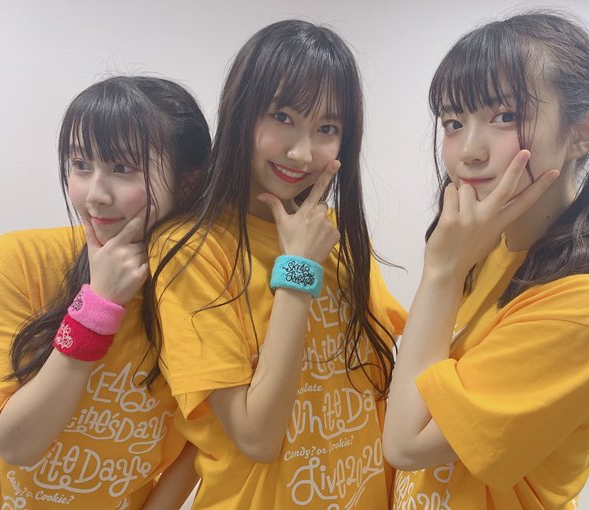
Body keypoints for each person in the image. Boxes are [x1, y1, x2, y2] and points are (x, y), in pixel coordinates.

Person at [383, 10, 589, 509]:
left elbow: (405, 444)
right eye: (453, 123)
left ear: (583, 132)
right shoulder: (488, 245)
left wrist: (442, 271)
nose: (469, 151)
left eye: (505, 116)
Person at [148, 20, 406, 509]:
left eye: (327, 128)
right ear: (241, 113)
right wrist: (297, 271)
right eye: (283, 116)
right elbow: (257, 436)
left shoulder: (335, 237)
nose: (302, 152)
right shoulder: (189, 250)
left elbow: (381, 393)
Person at [0, 76, 212, 509]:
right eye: (81, 164)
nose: (95, 195)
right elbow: (15, 444)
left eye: (122, 168)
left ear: (187, 182)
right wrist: (97, 308)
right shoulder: (19, 262)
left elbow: (200, 442)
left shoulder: (203, 289)